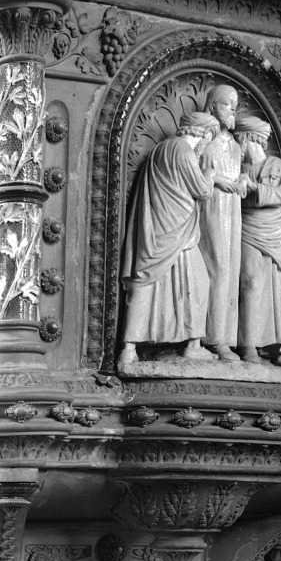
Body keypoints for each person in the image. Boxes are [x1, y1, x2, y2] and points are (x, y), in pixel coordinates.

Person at [118, 111, 220, 372]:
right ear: (202, 134)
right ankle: (193, 345)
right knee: (198, 283)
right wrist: (210, 172)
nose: (207, 144)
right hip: (177, 230)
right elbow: (202, 190)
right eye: (209, 138)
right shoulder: (182, 150)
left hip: (158, 228)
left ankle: (130, 349)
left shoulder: (160, 150)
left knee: (152, 283)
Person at [200, 83, 251, 362]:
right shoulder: (205, 141)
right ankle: (211, 337)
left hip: (233, 210)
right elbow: (194, 174)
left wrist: (242, 180)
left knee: (231, 269)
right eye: (226, 104)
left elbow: (241, 175)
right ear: (212, 107)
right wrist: (217, 180)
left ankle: (226, 339)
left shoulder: (235, 146)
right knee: (217, 266)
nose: (232, 109)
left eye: (235, 105)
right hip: (211, 208)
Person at [236, 119, 281, 368]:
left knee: (275, 291)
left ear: (250, 138)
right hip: (246, 228)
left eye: (239, 139)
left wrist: (253, 187)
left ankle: (277, 350)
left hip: (274, 232)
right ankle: (247, 344)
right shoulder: (238, 168)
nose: (238, 144)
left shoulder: (277, 166)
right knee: (250, 281)